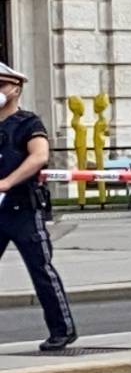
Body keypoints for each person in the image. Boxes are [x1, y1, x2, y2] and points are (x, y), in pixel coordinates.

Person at [0, 63, 76, 351]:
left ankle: (62, 330)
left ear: (15, 89)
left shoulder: (28, 123)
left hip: (22, 209)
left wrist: (7, 181)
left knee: (40, 270)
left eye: (0, 86)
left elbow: (39, 157)